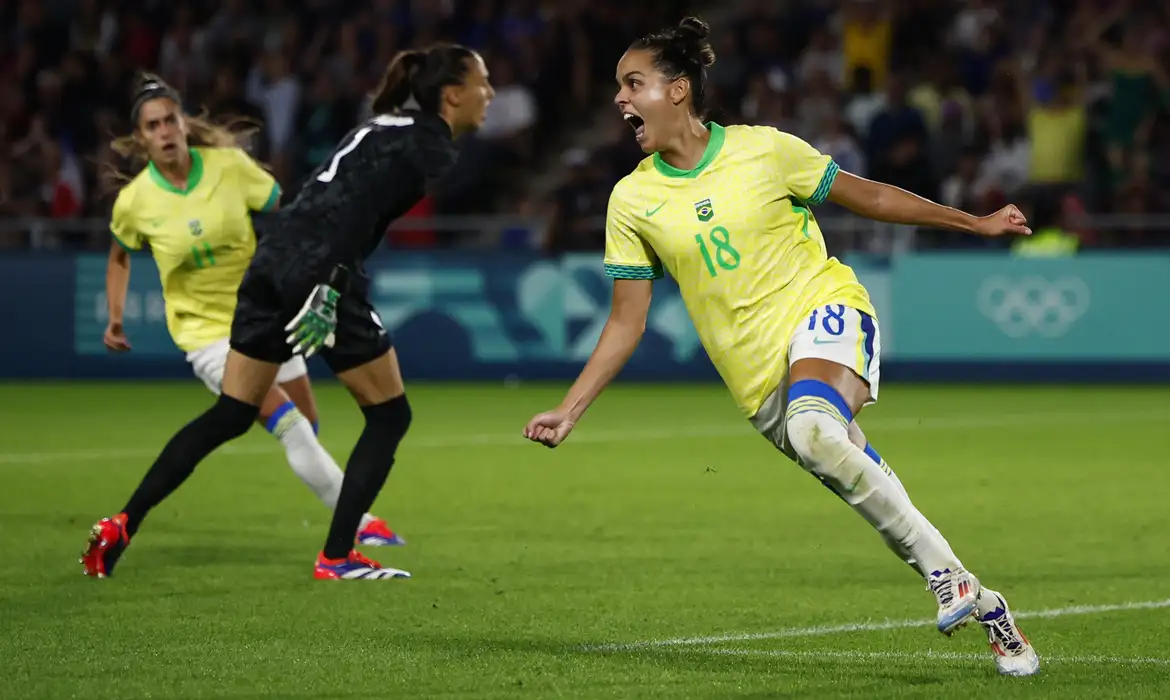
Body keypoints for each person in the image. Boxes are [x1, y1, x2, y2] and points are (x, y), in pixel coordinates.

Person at [522, 18, 1039, 677]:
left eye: (634, 84)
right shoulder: (632, 200)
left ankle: (953, 585)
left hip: (824, 310)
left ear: (678, 90)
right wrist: (572, 408)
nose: (620, 100)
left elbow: (870, 195)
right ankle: (979, 597)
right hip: (756, 378)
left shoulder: (763, 151)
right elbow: (627, 321)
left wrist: (973, 221)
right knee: (862, 480)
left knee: (816, 427)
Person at [82, 49, 492, 580]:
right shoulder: (429, 143)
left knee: (232, 414)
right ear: (453, 94)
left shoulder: (390, 124)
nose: (491, 94)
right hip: (318, 268)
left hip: (272, 261)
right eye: (484, 83)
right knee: (390, 415)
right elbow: (356, 214)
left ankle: (121, 523)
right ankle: (338, 555)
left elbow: (311, 198)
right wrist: (330, 287)